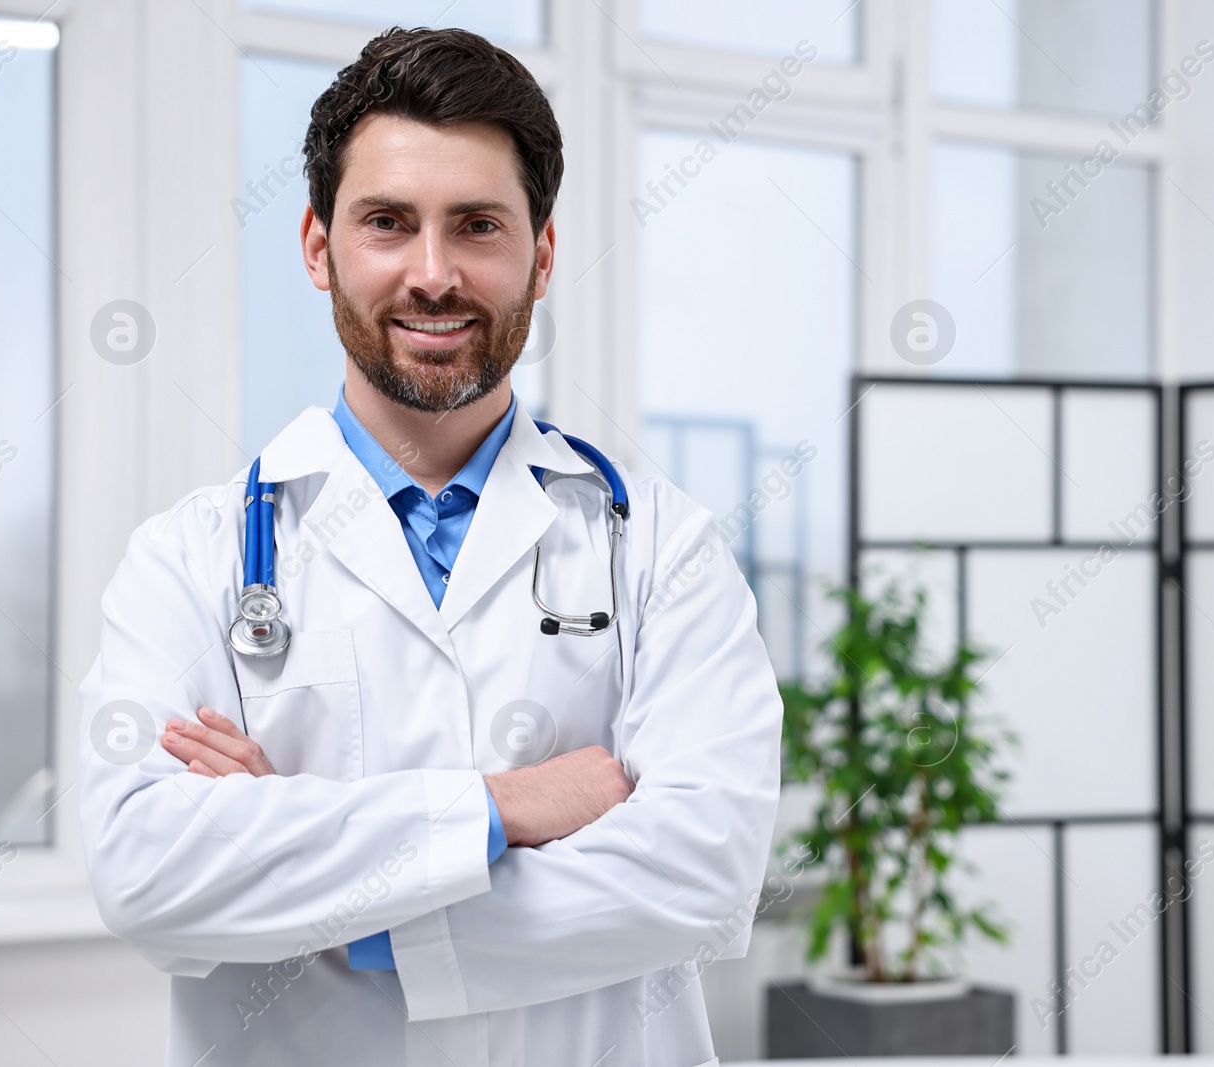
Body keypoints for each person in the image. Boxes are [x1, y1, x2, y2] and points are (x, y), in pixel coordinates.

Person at [77, 26, 782, 1067]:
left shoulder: (661, 547)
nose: (434, 273)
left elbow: (703, 867)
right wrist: (509, 807)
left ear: (541, 255)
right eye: (388, 223)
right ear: (320, 247)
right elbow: (147, 871)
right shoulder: (190, 557)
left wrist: (328, 896)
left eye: (478, 225)